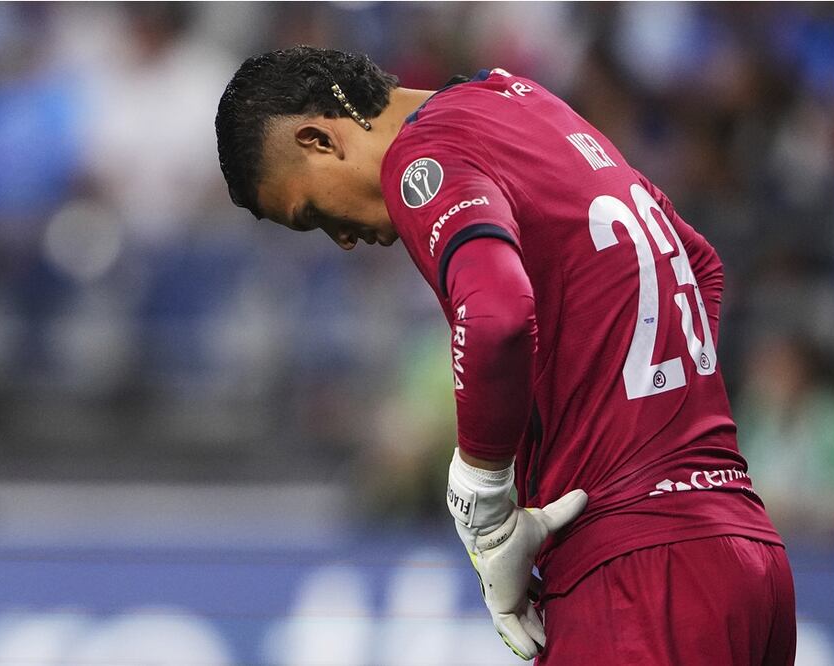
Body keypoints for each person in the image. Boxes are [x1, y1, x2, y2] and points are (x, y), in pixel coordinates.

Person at [214, 47, 795, 665]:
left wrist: (483, 489)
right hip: (743, 548)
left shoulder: (420, 156)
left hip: (637, 570)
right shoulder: (521, 101)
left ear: (319, 139)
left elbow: (494, 314)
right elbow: (697, 260)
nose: (346, 240)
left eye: (315, 215)